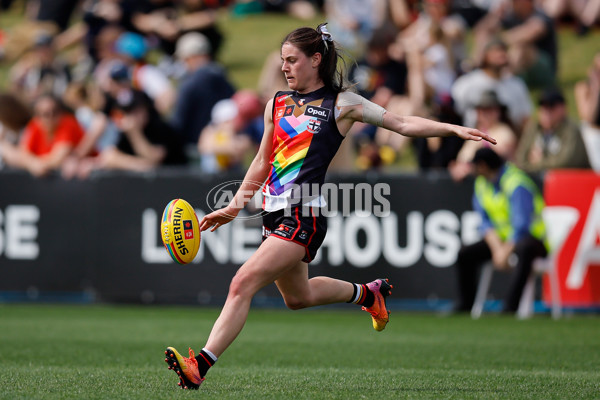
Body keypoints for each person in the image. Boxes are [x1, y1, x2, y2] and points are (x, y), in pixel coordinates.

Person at [163, 23, 496, 390]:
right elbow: (261, 161)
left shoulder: (342, 103)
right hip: (273, 214)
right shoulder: (277, 102)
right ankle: (367, 294)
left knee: (241, 282)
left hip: (303, 215)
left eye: (292, 60)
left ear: (316, 59)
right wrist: (234, 207)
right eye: (282, 61)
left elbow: (401, 123)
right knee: (297, 298)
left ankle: (200, 365)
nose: (285, 68)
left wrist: (453, 129)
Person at [453, 147, 548, 314]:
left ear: (482, 166)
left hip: (534, 239)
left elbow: (522, 225)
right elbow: (484, 222)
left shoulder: (516, 183)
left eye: (474, 165)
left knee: (525, 249)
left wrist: (505, 251)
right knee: (465, 253)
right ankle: (465, 306)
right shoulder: (482, 183)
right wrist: (497, 249)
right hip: (502, 239)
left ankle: (510, 308)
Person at [451, 38, 532, 135]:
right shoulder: (467, 84)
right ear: (485, 55)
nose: (501, 54)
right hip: (475, 137)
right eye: (496, 50)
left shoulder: (516, 84)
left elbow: (525, 120)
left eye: (504, 50)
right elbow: (455, 114)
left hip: (509, 140)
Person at [170, 31, 236, 151]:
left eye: (184, 59)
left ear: (191, 57)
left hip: (193, 150)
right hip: (225, 147)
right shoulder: (223, 77)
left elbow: (178, 125)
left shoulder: (189, 84)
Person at [0, 94, 84, 177]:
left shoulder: (68, 123)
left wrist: (34, 164)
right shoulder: (35, 125)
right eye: (46, 114)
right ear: (37, 115)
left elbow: (58, 159)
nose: (51, 116)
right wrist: (33, 164)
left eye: (55, 111)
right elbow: (23, 153)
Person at [515, 88, 590, 172]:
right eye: (542, 106)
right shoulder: (534, 128)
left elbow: (565, 162)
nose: (546, 111)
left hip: (571, 180)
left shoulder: (571, 129)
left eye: (551, 107)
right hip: (539, 179)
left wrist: (538, 162)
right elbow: (520, 160)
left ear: (563, 108)